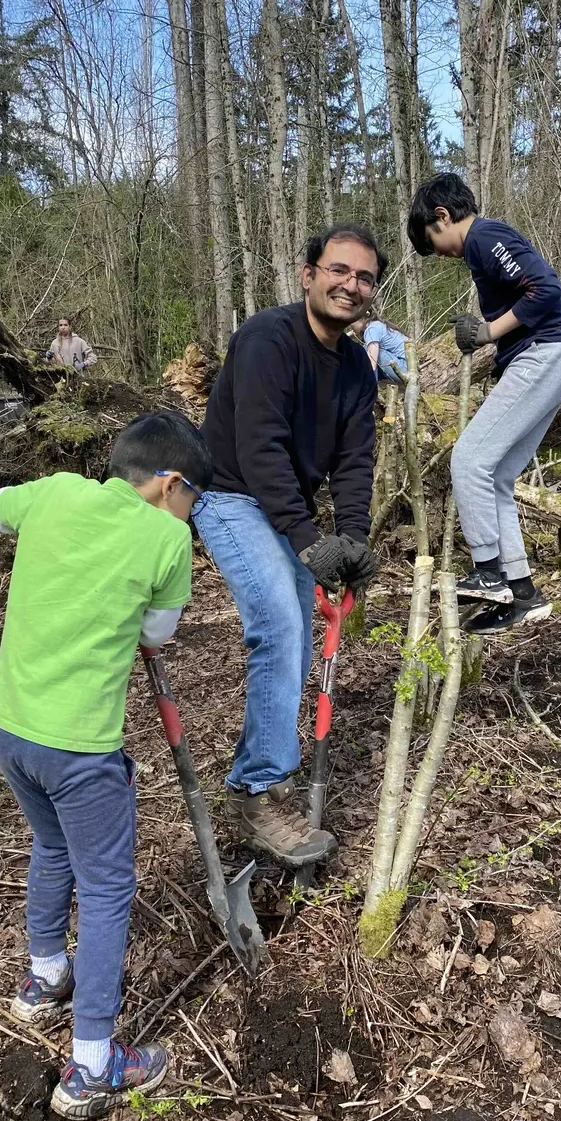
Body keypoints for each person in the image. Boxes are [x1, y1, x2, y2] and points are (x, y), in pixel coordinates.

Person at [0, 411, 212, 1120]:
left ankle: (44, 978)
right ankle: (92, 1064)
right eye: (192, 498)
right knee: (108, 889)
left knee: (51, 844)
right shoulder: (166, 536)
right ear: (169, 484)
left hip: (8, 724)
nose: (191, 513)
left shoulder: (54, 492)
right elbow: (158, 632)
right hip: (80, 747)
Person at [196, 223, 383, 867]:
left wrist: (351, 541)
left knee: (302, 631)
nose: (349, 285)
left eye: (363, 277)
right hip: (226, 491)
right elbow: (259, 447)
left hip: (284, 502)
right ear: (309, 275)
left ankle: (265, 767)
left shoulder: (358, 365)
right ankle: (257, 791)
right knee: (278, 619)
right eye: (338, 270)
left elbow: (357, 458)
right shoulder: (267, 339)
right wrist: (308, 542)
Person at [407, 173, 561, 634]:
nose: (441, 254)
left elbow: (545, 290)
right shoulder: (482, 247)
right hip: (555, 354)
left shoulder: (486, 236)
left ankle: (489, 573)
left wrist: (488, 333)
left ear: (442, 217)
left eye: (434, 240)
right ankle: (523, 594)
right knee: (499, 476)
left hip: (548, 351)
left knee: (468, 459)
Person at [362, 312, 408, 382]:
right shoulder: (377, 325)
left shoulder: (371, 329)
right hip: (410, 368)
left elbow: (372, 363)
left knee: (365, 349)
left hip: (404, 370)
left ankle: (373, 386)